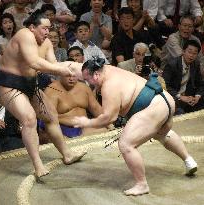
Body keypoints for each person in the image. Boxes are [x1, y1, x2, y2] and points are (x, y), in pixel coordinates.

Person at [72, 56, 198, 196]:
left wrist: (87, 122)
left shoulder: (109, 86)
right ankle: (189, 161)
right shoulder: (110, 69)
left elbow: (109, 118)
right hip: (165, 100)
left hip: (153, 107)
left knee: (126, 144)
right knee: (161, 134)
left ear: (96, 75)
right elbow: (70, 67)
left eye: (87, 79)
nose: (88, 83)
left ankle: (142, 184)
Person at [0, 10, 86, 178]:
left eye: (49, 28)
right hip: (7, 84)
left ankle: (67, 154)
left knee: (50, 116)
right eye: (43, 28)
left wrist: (79, 68)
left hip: (29, 84)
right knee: (29, 119)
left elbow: (54, 65)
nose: (47, 32)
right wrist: (63, 69)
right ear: (32, 27)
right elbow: (35, 62)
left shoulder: (47, 43)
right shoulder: (24, 35)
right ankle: (38, 166)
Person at [43, 74, 108, 138]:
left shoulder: (84, 88)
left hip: (84, 127)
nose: (71, 79)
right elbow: (47, 118)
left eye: (74, 76)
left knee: (105, 130)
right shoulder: (51, 91)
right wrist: (68, 121)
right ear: (61, 74)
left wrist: (109, 123)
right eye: (68, 75)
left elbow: (96, 109)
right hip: (63, 129)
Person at [163, 39, 204, 114]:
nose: (191, 55)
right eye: (189, 52)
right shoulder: (172, 65)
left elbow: (200, 84)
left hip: (189, 96)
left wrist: (197, 96)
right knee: (180, 112)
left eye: (195, 53)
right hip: (174, 97)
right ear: (183, 51)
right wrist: (180, 97)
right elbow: (165, 86)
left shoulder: (196, 64)